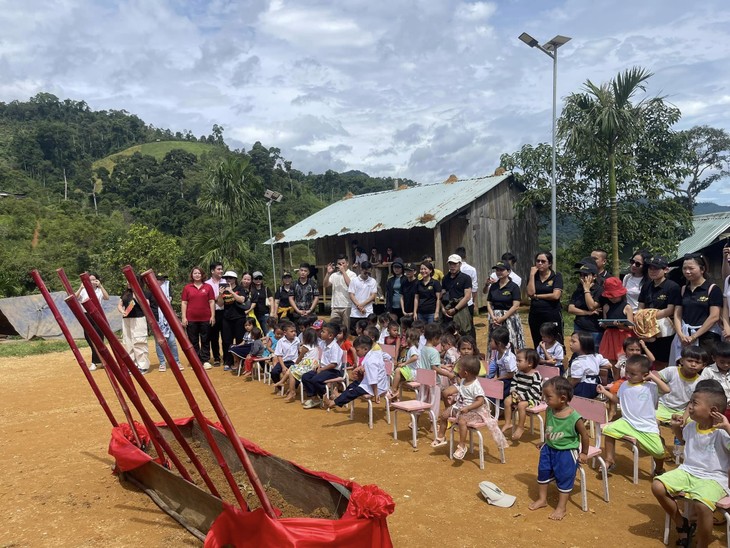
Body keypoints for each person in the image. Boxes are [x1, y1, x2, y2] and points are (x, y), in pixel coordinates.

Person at [652, 380, 730, 548]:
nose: (690, 407)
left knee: (702, 506)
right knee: (657, 486)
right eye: (690, 403)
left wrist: (728, 428)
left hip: (714, 478)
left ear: (713, 411)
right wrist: (676, 428)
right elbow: (684, 439)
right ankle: (682, 523)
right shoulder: (691, 426)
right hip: (688, 471)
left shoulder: (722, 432)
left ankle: (702, 545)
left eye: (694, 403)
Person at [528, 376, 589, 521]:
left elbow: (585, 436)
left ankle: (562, 507)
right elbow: (549, 426)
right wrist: (545, 440)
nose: (545, 399)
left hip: (566, 453)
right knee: (542, 473)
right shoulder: (550, 409)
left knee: (565, 478)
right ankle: (542, 500)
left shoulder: (574, 417)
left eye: (548, 397)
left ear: (562, 398)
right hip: (548, 449)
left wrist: (584, 453)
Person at [598, 355, 670, 476]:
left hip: (646, 426)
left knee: (659, 451)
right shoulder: (624, 385)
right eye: (627, 372)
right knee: (608, 430)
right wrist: (605, 391)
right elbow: (618, 400)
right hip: (627, 422)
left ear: (644, 374)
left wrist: (652, 376)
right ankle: (609, 460)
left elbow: (666, 390)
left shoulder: (651, 387)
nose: (629, 375)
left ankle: (659, 470)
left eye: (633, 374)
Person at [431, 355, 507, 459]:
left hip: (475, 412)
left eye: (459, 369)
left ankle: (462, 446)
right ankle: (441, 437)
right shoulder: (463, 381)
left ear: (465, 373)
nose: (458, 371)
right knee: (444, 415)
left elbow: (480, 401)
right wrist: (455, 399)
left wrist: (469, 408)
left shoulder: (476, 385)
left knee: (462, 421)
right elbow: (463, 394)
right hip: (460, 409)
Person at [670, 253, 723, 364]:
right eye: (684, 268)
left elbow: (714, 316)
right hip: (685, 338)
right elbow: (677, 314)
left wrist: (695, 336)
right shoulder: (683, 289)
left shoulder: (712, 289)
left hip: (707, 339)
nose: (687, 271)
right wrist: (680, 334)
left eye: (691, 268)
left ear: (702, 269)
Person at [637, 255, 681, 369]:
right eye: (650, 268)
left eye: (656, 268)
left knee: (662, 361)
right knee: (646, 359)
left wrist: (649, 315)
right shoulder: (646, 286)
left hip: (664, 329)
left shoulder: (673, 286)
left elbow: (670, 310)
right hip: (646, 328)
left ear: (665, 269)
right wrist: (643, 317)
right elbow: (640, 306)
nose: (652, 271)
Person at [323, 335, 387, 410]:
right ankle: (339, 398)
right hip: (372, 383)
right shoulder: (375, 353)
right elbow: (386, 356)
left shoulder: (370, 362)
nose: (356, 353)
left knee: (353, 392)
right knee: (352, 385)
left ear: (365, 349)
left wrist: (376, 395)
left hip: (377, 387)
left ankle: (332, 403)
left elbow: (373, 380)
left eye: (357, 350)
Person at [656, 345, 707, 422]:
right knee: (650, 415)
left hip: (681, 411)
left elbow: (692, 402)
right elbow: (655, 384)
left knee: (693, 421)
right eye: (690, 361)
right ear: (682, 361)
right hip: (662, 407)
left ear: (703, 366)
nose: (693, 364)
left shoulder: (700, 381)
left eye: (697, 362)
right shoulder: (671, 371)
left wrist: (683, 418)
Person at [302, 323, 345, 409]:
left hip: (333, 371)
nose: (321, 333)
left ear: (330, 336)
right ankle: (315, 398)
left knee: (315, 380)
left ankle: (326, 397)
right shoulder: (323, 344)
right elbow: (321, 358)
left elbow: (334, 364)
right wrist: (318, 365)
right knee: (305, 377)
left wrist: (321, 369)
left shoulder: (335, 347)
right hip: (323, 369)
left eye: (323, 332)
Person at [503, 348, 542, 441]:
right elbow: (514, 383)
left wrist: (522, 397)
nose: (517, 363)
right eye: (516, 360)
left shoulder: (535, 375)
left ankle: (520, 427)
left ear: (530, 363)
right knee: (507, 400)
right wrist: (513, 392)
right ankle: (508, 422)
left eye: (519, 361)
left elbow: (535, 390)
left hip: (532, 399)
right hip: (518, 396)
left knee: (521, 405)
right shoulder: (518, 372)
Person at [181, 266, 215, 370]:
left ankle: (205, 360)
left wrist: (213, 316)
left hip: (206, 318)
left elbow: (212, 302)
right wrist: (183, 317)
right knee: (193, 341)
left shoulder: (208, 287)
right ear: (192, 275)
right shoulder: (187, 288)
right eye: (195, 273)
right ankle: (196, 361)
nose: (197, 275)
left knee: (205, 340)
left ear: (202, 275)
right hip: (191, 319)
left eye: (199, 273)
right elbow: (184, 303)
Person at [527, 251, 564, 346]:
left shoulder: (556, 276)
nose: (539, 263)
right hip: (535, 314)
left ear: (550, 263)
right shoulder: (533, 277)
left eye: (543, 261)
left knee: (555, 339)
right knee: (537, 340)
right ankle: (540, 359)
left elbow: (556, 295)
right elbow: (530, 293)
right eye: (538, 261)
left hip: (552, 313)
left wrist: (537, 296)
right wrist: (531, 275)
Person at [486, 260, 524, 350]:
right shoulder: (493, 286)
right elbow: (489, 302)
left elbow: (516, 305)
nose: (499, 272)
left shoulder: (514, 287)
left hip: (509, 317)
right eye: (497, 270)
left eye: (501, 270)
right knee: (495, 341)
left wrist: (503, 318)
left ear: (508, 271)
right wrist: (492, 316)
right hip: (495, 318)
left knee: (510, 341)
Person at [75, 273, 109, 371]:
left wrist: (101, 286)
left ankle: (96, 362)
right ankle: (100, 360)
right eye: (90, 280)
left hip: (97, 315)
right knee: (89, 338)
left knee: (99, 338)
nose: (92, 282)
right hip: (86, 315)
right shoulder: (84, 291)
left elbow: (107, 297)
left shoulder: (99, 291)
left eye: (94, 280)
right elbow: (75, 298)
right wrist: (81, 288)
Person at [217, 270, 250, 370]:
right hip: (227, 318)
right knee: (227, 340)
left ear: (235, 279)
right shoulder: (223, 289)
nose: (228, 280)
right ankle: (228, 361)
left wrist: (231, 292)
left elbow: (242, 300)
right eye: (226, 278)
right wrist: (220, 294)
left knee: (240, 339)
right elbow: (220, 304)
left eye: (230, 278)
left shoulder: (240, 288)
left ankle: (240, 361)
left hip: (239, 318)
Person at [148, 273, 182, 372]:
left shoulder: (167, 290)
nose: (162, 281)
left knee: (171, 341)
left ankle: (176, 361)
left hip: (167, 319)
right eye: (159, 279)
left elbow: (170, 300)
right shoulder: (150, 292)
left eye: (163, 279)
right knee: (159, 342)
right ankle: (162, 363)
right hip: (156, 319)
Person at [598, 277, 634, 369]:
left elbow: (631, 327)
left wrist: (621, 326)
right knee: (611, 362)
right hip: (609, 336)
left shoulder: (627, 307)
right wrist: (604, 324)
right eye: (610, 297)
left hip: (623, 336)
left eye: (614, 296)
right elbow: (606, 324)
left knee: (623, 361)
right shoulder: (606, 306)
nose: (612, 299)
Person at [118, 275, 151, 374]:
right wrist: (122, 311)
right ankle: (132, 365)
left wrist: (136, 296)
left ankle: (143, 366)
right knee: (128, 342)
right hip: (127, 319)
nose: (128, 283)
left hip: (138, 319)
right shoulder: (126, 293)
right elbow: (120, 304)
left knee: (139, 341)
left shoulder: (144, 293)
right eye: (127, 281)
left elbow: (146, 305)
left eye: (130, 281)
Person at [568, 262, 604, 349]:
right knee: (578, 352)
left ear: (594, 276)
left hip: (594, 329)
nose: (582, 278)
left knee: (593, 353)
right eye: (581, 275)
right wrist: (588, 313)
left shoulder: (600, 290)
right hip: (579, 326)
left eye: (585, 275)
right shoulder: (578, 290)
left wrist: (586, 290)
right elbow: (571, 309)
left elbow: (591, 306)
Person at [279, 327, 320, 402]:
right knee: (292, 369)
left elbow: (300, 358)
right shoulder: (317, 346)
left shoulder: (305, 347)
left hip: (307, 366)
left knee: (291, 371)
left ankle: (292, 392)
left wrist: (295, 364)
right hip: (313, 365)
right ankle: (283, 382)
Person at [568, 332, 610, 399]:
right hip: (595, 386)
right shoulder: (597, 356)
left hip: (583, 388)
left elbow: (576, 380)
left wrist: (568, 388)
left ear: (583, 344)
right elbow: (609, 365)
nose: (570, 344)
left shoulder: (577, 362)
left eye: (573, 342)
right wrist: (595, 367)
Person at [440, 254, 473, 337]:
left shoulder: (466, 278)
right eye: (450, 264)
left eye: (455, 264)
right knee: (448, 335)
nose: (452, 266)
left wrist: (455, 309)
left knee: (464, 333)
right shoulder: (445, 278)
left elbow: (467, 296)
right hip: (447, 310)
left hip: (461, 310)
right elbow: (442, 294)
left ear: (460, 264)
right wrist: (443, 309)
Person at [388, 327, 420, 399]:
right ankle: (395, 393)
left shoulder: (413, 348)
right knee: (396, 374)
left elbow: (415, 357)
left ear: (409, 338)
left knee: (397, 370)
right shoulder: (412, 348)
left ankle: (393, 391)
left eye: (406, 337)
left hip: (413, 373)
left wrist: (404, 363)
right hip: (411, 372)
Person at [324, 255, 356, 330]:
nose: (341, 265)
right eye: (339, 264)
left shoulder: (352, 274)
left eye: (343, 263)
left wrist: (343, 272)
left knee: (346, 329)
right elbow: (325, 285)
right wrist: (328, 273)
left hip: (347, 306)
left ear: (347, 263)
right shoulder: (334, 275)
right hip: (335, 306)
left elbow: (351, 285)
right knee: (332, 328)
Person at [487, 326, 516, 400]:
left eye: (491, 341)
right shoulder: (497, 352)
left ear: (499, 344)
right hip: (501, 380)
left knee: (492, 395)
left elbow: (511, 374)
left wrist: (498, 378)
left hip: (508, 382)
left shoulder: (507, 358)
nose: (490, 343)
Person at [205, 262, 225, 366]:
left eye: (221, 269)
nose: (221, 271)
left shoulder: (226, 282)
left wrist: (215, 298)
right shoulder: (207, 284)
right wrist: (218, 296)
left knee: (226, 336)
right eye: (218, 269)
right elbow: (208, 299)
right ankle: (216, 357)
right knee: (214, 337)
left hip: (225, 312)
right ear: (212, 271)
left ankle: (226, 357)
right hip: (213, 313)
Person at [270, 320, 299, 387]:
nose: (294, 333)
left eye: (295, 331)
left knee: (297, 374)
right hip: (284, 362)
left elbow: (298, 350)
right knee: (274, 372)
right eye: (291, 331)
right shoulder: (281, 342)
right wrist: (283, 367)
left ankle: (293, 388)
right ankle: (280, 388)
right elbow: (279, 355)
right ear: (285, 333)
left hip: (294, 362)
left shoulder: (297, 340)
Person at [455, 247, 478, 316]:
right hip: (469, 301)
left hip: (455, 302)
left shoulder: (452, 270)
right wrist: (474, 301)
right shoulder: (472, 269)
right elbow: (474, 287)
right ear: (465, 256)